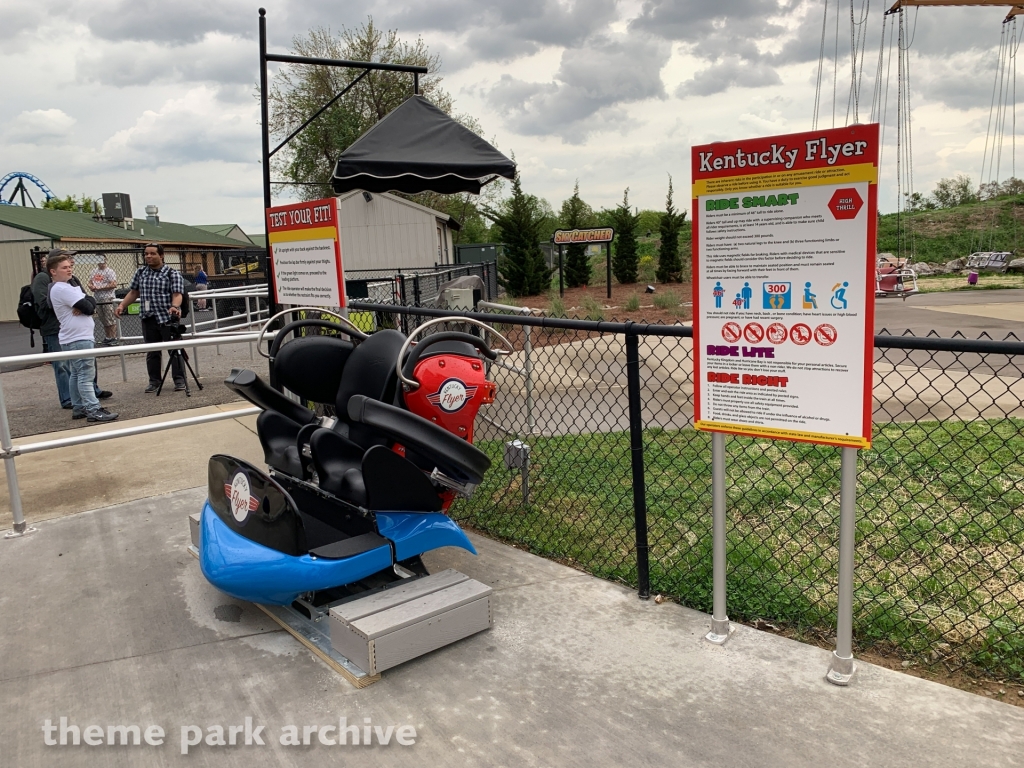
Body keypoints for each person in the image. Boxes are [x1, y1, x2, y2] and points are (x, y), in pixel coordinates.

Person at [32, 250, 112, 411]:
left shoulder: (71, 281)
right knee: (70, 368)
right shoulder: (52, 283)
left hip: (77, 332)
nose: (70, 266)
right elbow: (46, 302)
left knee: (78, 371)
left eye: (70, 262)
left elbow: (88, 299)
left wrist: (81, 303)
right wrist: (74, 305)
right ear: (54, 267)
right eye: (65, 263)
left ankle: (80, 404)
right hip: (59, 329)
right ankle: (86, 406)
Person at [116, 243, 186, 393]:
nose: (148, 256)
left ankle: (180, 380)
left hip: (167, 318)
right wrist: (122, 306)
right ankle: (154, 381)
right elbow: (134, 292)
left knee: (174, 350)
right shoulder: (140, 272)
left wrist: (175, 306)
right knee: (152, 351)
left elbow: (177, 294)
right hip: (148, 317)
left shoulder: (172, 273)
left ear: (161, 255)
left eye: (152, 253)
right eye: (146, 254)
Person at [88, 255, 119, 345]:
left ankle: (113, 337)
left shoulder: (109, 271)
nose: (101, 262)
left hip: (108, 297)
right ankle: (108, 337)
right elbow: (90, 282)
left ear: (105, 260)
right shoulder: (94, 271)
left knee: (110, 318)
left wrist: (99, 288)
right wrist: (91, 286)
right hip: (98, 298)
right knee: (103, 318)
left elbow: (113, 284)